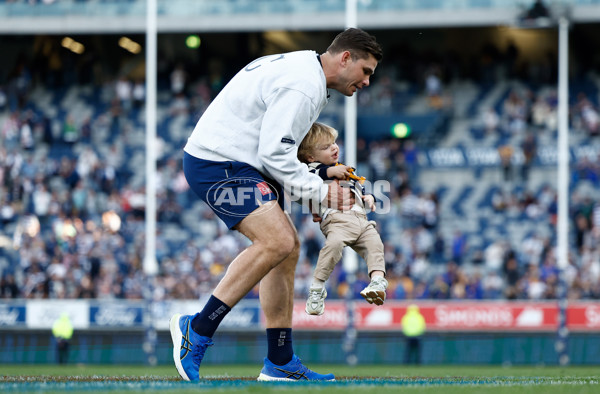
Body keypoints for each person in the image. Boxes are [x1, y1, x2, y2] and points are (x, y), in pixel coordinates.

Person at [170, 28, 383, 382]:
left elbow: (277, 152)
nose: (366, 82)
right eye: (366, 72)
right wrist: (319, 192)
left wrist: (312, 188)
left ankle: (280, 361)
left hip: (240, 163)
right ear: (346, 58)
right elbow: (274, 153)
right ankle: (196, 329)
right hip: (219, 162)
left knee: (287, 248)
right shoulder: (303, 85)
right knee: (278, 241)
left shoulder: (305, 72)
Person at [297, 122, 387, 316]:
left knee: (375, 244)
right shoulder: (312, 170)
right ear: (311, 156)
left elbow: (360, 187)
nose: (334, 147)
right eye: (326, 147)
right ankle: (317, 288)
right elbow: (309, 176)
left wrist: (368, 197)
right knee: (333, 246)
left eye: (334, 143)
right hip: (337, 220)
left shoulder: (345, 169)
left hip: (360, 219)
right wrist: (330, 172)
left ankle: (377, 281)